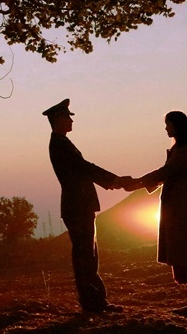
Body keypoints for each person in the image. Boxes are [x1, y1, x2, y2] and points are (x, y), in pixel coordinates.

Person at [42, 98, 124, 315]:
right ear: (58, 119)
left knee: (88, 254)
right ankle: (93, 303)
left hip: (79, 204)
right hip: (78, 205)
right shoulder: (60, 145)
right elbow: (84, 168)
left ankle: (96, 302)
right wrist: (114, 181)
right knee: (85, 256)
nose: (71, 121)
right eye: (68, 117)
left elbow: (83, 169)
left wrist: (114, 181)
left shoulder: (62, 144)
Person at [127, 110, 187, 318]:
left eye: (168, 124)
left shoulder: (185, 151)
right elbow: (165, 174)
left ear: (177, 126)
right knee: (183, 251)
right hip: (175, 207)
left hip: (182, 208)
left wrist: (137, 183)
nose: (166, 128)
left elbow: (165, 173)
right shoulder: (179, 150)